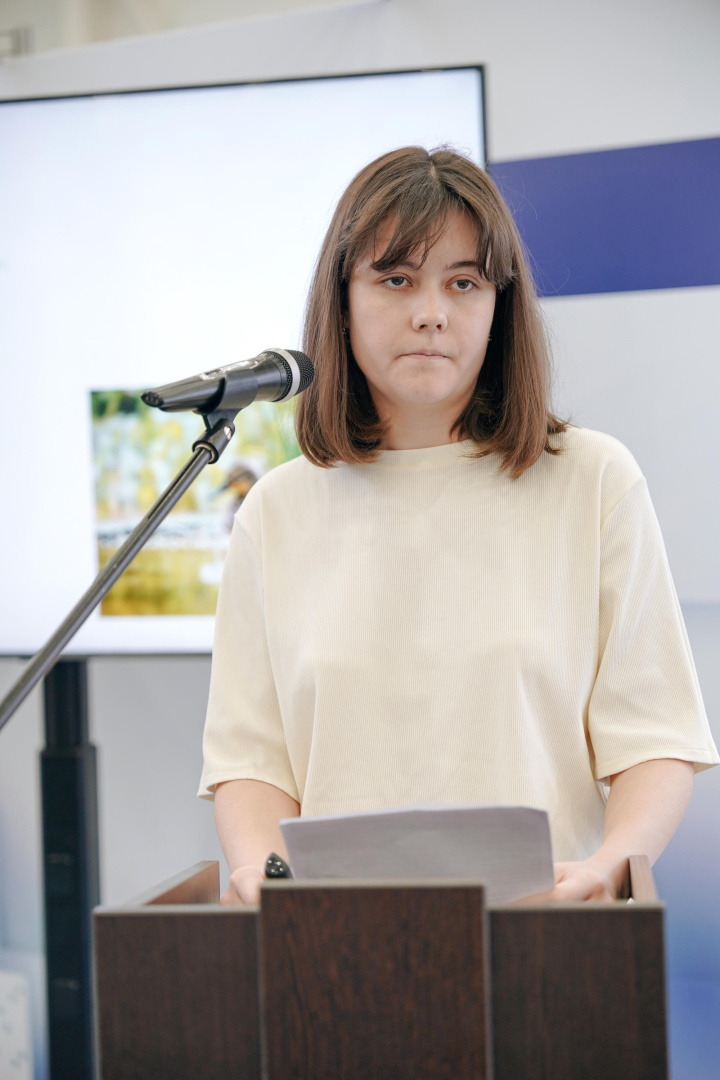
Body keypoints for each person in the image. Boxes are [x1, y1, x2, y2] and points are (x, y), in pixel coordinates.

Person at [198, 146, 718, 906]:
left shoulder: (593, 480)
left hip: (546, 932)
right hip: (332, 941)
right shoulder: (275, 510)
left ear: (500, 306)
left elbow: (654, 738)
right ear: (341, 300)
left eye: (464, 282)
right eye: (396, 279)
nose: (431, 312)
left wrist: (612, 863)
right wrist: (263, 875)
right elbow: (252, 762)